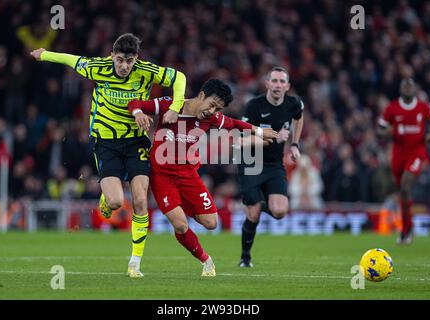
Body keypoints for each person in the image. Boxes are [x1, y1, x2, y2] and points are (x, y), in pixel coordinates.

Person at [30, 33, 186, 277]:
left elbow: (179, 78)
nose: (125, 66)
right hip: (106, 142)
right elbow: (72, 60)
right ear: (112, 56)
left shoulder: (145, 71)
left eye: (130, 60)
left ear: (136, 59)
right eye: (121, 60)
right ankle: (106, 198)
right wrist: (45, 54)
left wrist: (175, 107)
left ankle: (135, 262)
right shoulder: (98, 68)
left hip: (136, 142)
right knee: (114, 202)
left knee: (140, 200)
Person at [128, 79, 278, 276]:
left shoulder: (211, 118)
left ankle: (182, 206)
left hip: (189, 175)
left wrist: (258, 131)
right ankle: (206, 260)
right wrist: (138, 113)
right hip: (162, 176)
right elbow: (135, 103)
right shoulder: (171, 105)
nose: (213, 111)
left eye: (218, 108)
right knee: (181, 225)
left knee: (211, 223)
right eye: (212, 104)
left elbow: (233, 123)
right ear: (201, 95)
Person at [237, 66, 304, 267]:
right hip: (251, 163)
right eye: (274, 81)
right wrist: (273, 137)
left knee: (280, 212)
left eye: (282, 81)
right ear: (267, 84)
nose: (278, 85)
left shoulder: (293, 104)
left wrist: (294, 144)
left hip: (275, 165)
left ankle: (259, 202)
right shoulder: (254, 107)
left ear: (287, 86)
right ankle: (245, 257)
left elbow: (299, 118)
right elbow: (241, 140)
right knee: (254, 214)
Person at [378, 78, 430, 245]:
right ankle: (407, 229)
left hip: (417, 152)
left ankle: (406, 230)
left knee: (405, 185)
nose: (408, 88)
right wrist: (388, 132)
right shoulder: (392, 108)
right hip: (398, 154)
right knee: (403, 192)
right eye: (405, 85)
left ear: (415, 89)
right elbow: (380, 131)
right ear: (401, 89)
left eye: (411, 85)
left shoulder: (423, 107)